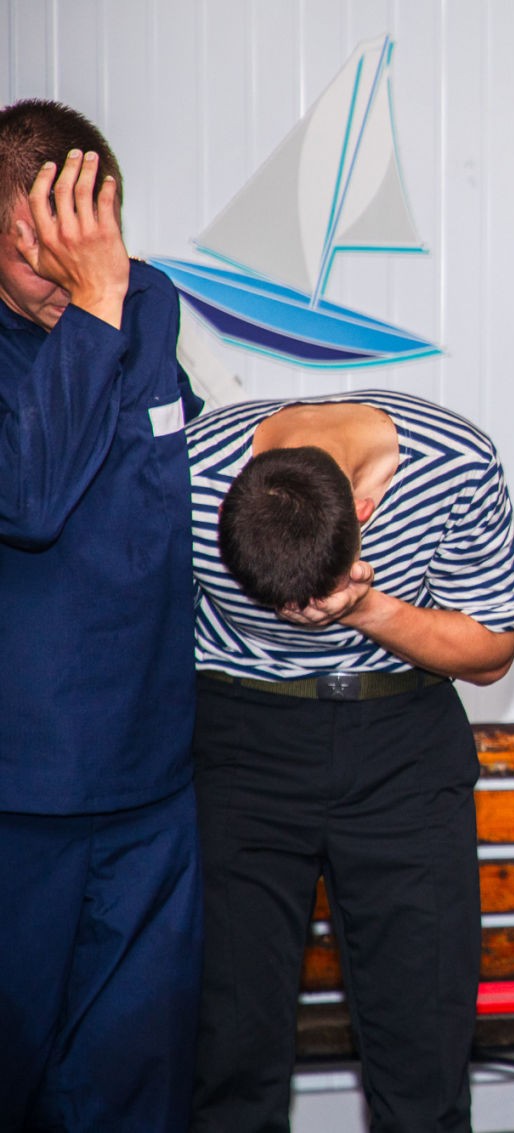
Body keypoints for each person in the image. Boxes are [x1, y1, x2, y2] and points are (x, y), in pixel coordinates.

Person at [186, 389, 514, 1131]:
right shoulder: (190, 472)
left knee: (423, 1048)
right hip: (241, 741)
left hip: (402, 743)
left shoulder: (455, 461)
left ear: (364, 514)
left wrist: (368, 609)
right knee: (229, 1046)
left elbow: (493, 651)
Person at [0, 100, 204, 1130]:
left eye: (93, 246)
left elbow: (165, 473)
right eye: (39, 255)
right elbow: (31, 499)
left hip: (151, 779)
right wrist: (91, 309)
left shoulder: (148, 299)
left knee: (134, 1090)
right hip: (21, 790)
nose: (67, 275)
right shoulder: (97, 304)